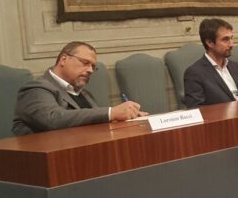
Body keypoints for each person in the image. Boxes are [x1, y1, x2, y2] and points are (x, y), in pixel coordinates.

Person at [12, 41, 146, 135]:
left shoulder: (84, 93)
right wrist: (111, 113)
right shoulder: (36, 89)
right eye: (85, 63)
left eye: (93, 66)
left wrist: (124, 117)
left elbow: (94, 122)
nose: (90, 70)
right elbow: (52, 119)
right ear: (64, 59)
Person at [183, 18, 238, 108]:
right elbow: (197, 109)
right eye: (225, 40)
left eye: (231, 38)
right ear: (209, 42)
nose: (231, 44)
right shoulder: (195, 73)